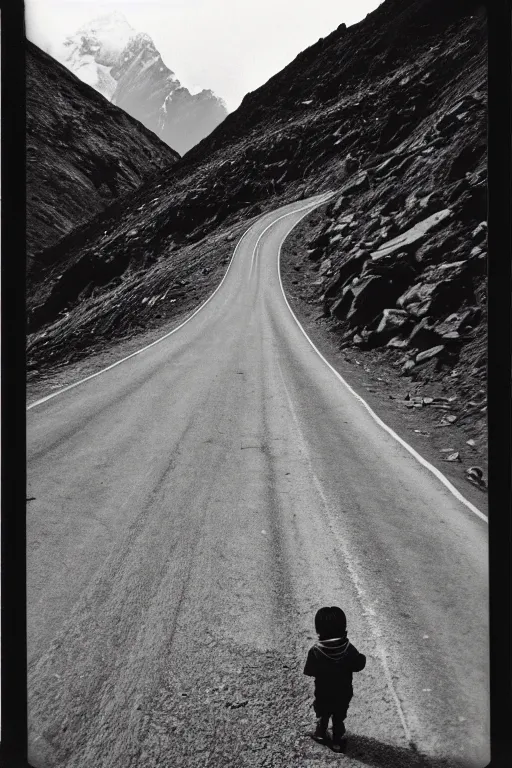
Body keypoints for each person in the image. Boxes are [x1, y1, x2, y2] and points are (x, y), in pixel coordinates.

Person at [304, 606, 366, 752]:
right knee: (338, 716)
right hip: (343, 692)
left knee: (323, 712)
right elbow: (358, 665)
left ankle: (321, 732)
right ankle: (337, 740)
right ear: (343, 628)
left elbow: (309, 671)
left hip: (323, 693)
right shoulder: (348, 648)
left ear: (318, 630)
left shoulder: (316, 651)